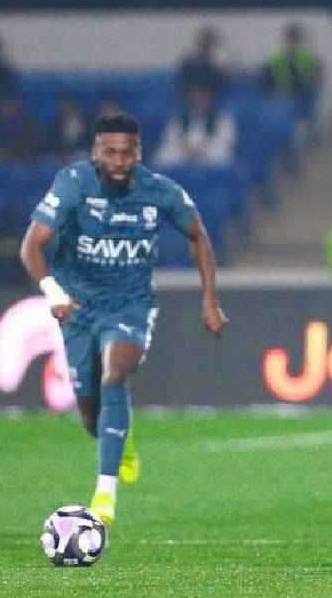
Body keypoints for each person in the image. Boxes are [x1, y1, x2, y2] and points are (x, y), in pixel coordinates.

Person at [19, 112, 227, 526]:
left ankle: (104, 495)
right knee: (90, 415)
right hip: (77, 308)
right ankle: (122, 437)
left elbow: (198, 236)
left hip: (130, 305)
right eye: (109, 152)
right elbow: (32, 246)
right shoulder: (73, 183)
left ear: (139, 153)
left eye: (126, 152)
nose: (118, 160)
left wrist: (209, 300)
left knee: (115, 375)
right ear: (95, 152)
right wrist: (53, 292)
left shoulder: (160, 191)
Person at [264, 23, 325, 139]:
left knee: (311, 116)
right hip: (285, 96)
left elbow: (318, 77)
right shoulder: (277, 59)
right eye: (291, 38)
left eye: (295, 38)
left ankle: (313, 137)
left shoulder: (309, 58)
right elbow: (268, 78)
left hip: (305, 95)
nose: (292, 42)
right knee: (287, 118)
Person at [157, 85, 238, 166]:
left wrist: (202, 152)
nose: (199, 99)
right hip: (182, 161)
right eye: (195, 95)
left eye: (203, 95)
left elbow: (224, 148)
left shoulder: (223, 120)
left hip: (211, 164)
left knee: (222, 156)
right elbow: (168, 147)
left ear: (211, 97)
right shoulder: (177, 121)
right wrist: (186, 151)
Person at [0, 96, 46, 164]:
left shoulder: (30, 126)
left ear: (17, 106)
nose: (7, 109)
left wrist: (10, 154)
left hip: (24, 164)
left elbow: (35, 148)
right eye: (4, 105)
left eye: (10, 105)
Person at [178, 26, 228, 103]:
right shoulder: (189, 63)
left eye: (210, 43)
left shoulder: (215, 66)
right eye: (205, 42)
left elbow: (221, 81)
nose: (207, 46)